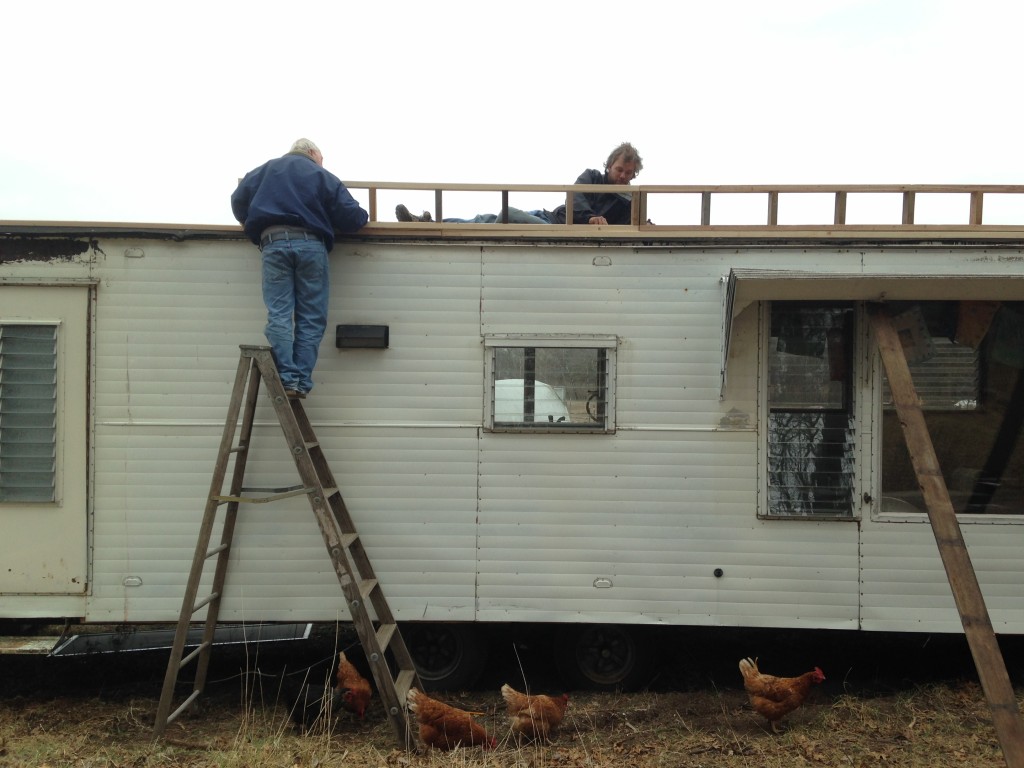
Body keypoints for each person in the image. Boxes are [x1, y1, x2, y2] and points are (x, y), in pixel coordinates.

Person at [231, 138, 368, 399]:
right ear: (314, 154)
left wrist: (253, 224)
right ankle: (300, 381)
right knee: (311, 318)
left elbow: (238, 202)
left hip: (273, 243)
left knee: (279, 313)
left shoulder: (262, 171)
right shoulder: (321, 175)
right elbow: (354, 218)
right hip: (311, 245)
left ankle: (287, 379)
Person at [395, 142, 643, 226]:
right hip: (549, 217)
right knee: (484, 218)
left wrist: (646, 223)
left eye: (628, 173)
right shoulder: (592, 177)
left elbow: (632, 226)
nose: (622, 176)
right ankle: (427, 223)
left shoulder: (629, 200)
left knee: (505, 214)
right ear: (609, 165)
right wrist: (590, 218)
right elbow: (575, 197)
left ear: (633, 175)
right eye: (619, 169)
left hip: (555, 229)